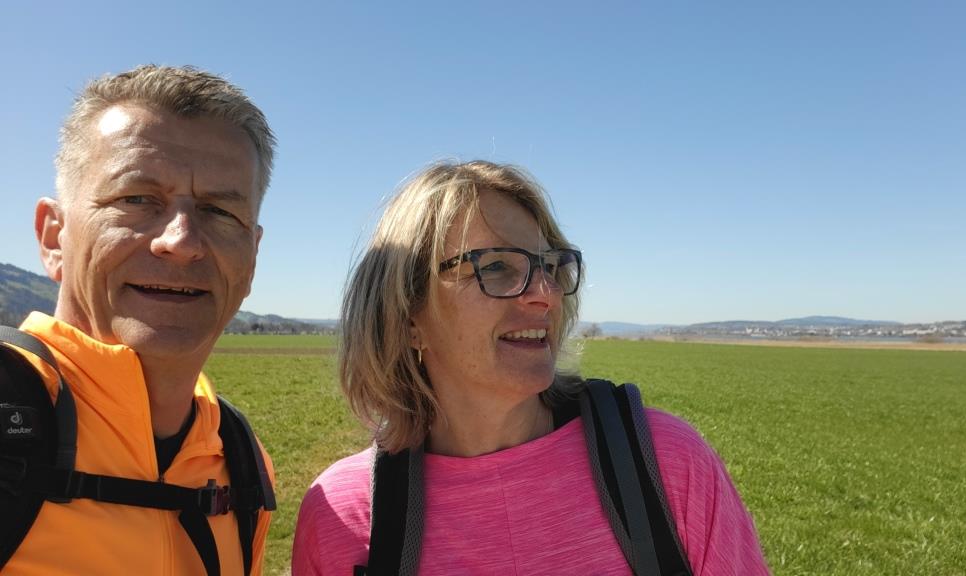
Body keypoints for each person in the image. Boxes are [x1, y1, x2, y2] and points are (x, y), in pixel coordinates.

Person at [292, 160, 770, 574]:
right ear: (408, 314)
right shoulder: (346, 516)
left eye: (550, 266)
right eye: (496, 266)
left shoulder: (667, 465)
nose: (546, 294)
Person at [1, 65, 276, 574]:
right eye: (136, 199)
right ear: (53, 236)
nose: (182, 241)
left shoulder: (240, 461)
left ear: (252, 257)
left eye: (220, 212)